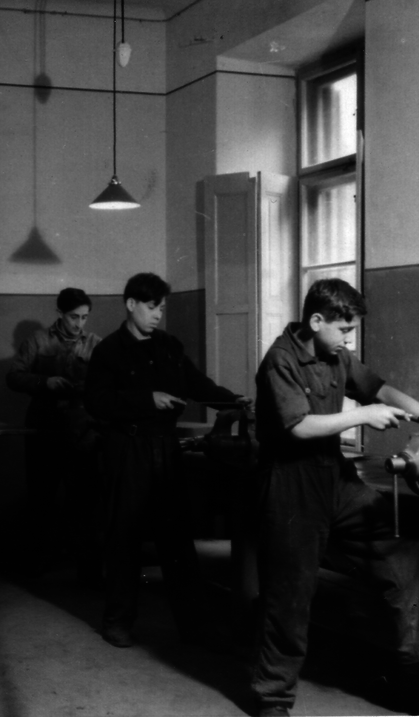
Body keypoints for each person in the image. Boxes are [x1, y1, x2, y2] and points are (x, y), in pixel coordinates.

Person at [250, 278, 419, 717]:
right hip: (292, 486)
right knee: (290, 596)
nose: (349, 339)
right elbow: (299, 427)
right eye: (344, 330)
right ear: (316, 321)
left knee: (400, 549)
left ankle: (405, 673)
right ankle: (272, 697)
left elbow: (378, 387)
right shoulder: (280, 360)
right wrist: (362, 416)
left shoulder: (337, 354)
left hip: (337, 479)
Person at [84, 272, 250, 648]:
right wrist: (147, 400)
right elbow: (96, 402)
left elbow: (197, 385)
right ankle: (118, 621)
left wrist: (234, 402)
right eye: (151, 306)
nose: (158, 314)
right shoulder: (109, 350)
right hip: (128, 453)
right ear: (131, 304)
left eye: (162, 307)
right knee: (124, 537)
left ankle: (195, 625)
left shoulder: (170, 347)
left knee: (176, 541)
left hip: (166, 451)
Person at [6, 287, 102, 580]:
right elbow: (14, 376)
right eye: (74, 317)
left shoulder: (95, 344)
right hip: (45, 429)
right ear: (59, 313)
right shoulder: (37, 341)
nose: (79, 324)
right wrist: (44, 382)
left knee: (85, 501)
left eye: (85, 317)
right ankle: (37, 567)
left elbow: (109, 383)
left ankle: (88, 569)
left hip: (83, 432)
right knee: (41, 498)